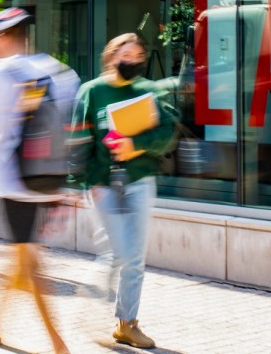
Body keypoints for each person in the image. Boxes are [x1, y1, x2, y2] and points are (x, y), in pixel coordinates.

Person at [0, 7, 72, 354]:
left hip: (14, 182)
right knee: (23, 257)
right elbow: (71, 125)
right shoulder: (59, 71)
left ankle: (58, 344)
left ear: (6, 37)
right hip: (51, 179)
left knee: (29, 262)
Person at [70, 32, 176, 350]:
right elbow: (77, 140)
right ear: (111, 56)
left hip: (139, 181)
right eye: (125, 55)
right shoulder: (92, 92)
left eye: (137, 56)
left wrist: (136, 145)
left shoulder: (149, 91)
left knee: (135, 257)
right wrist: (83, 183)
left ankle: (127, 324)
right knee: (119, 252)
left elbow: (168, 131)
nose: (131, 61)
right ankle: (90, 300)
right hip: (103, 183)